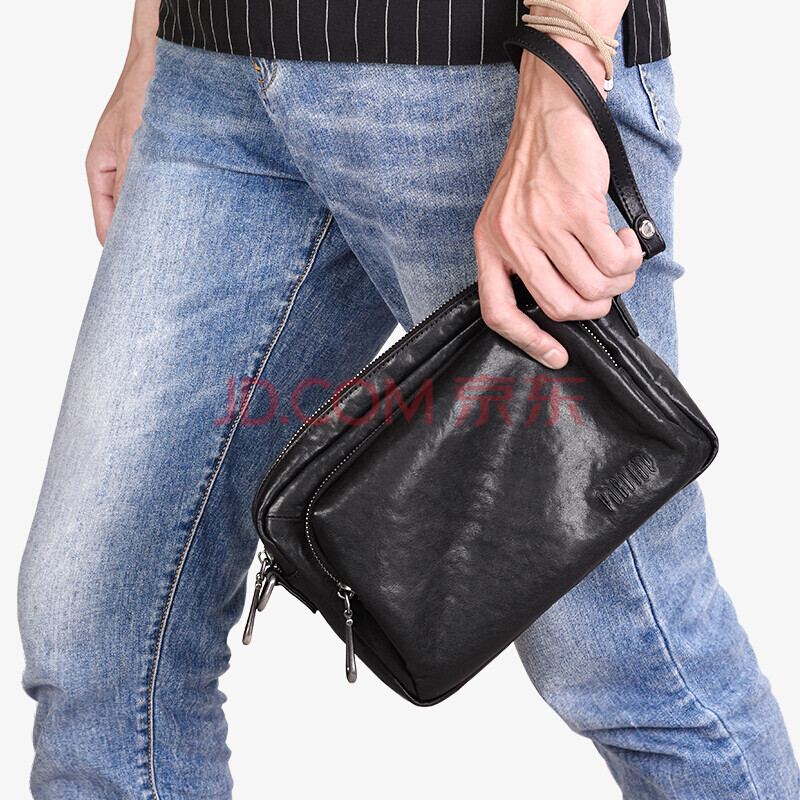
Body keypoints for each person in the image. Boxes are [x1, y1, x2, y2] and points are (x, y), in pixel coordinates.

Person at [17, 0, 799, 797]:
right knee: (99, 640)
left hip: (474, 65)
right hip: (210, 70)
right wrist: (148, 43)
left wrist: (565, 65)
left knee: (629, 658)